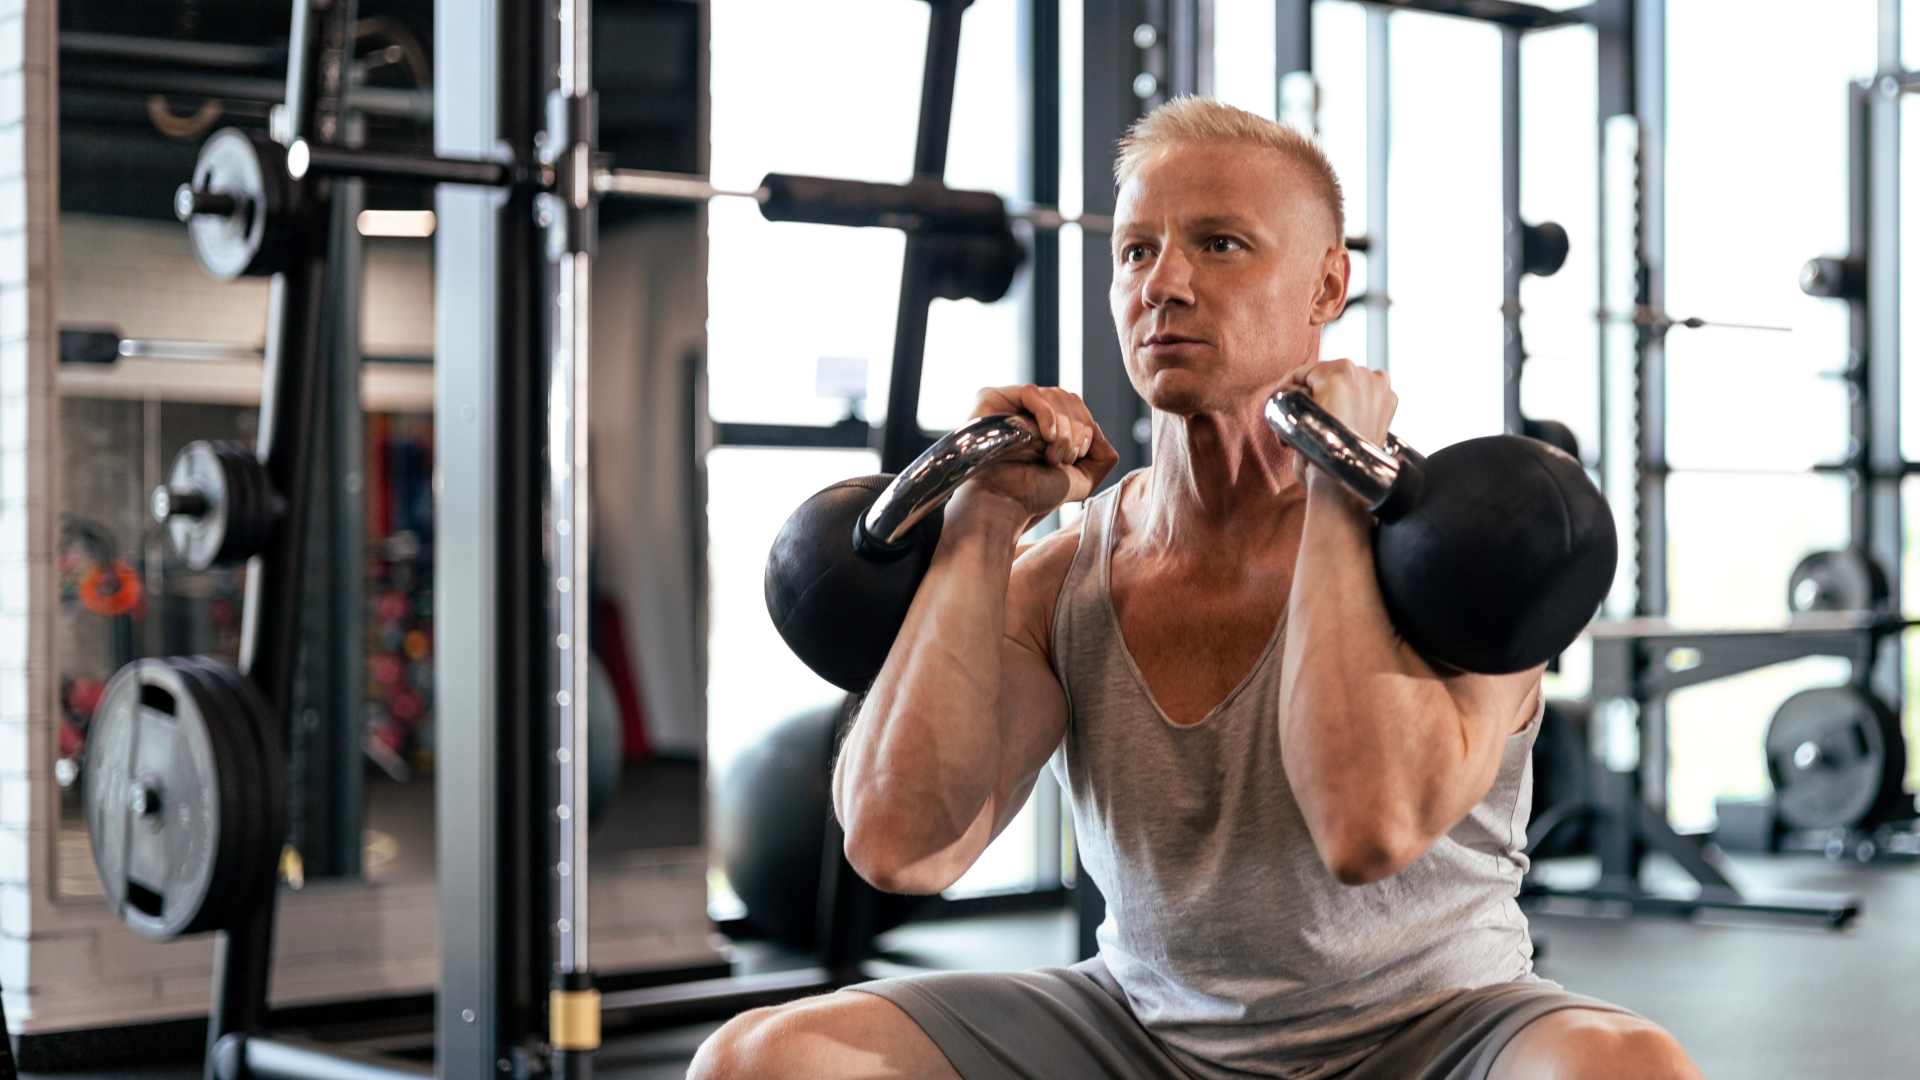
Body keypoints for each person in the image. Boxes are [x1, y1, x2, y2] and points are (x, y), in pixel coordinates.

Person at [692, 97, 1702, 1080]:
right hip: (1140, 1032)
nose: (1163, 282)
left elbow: (1368, 830)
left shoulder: (1466, 546)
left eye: (1220, 244)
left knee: (1628, 1069)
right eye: (1136, 250)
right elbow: (897, 849)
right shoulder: (1061, 580)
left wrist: (1340, 488)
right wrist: (983, 522)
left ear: (1325, 286)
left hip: (1435, 1028)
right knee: (762, 1060)